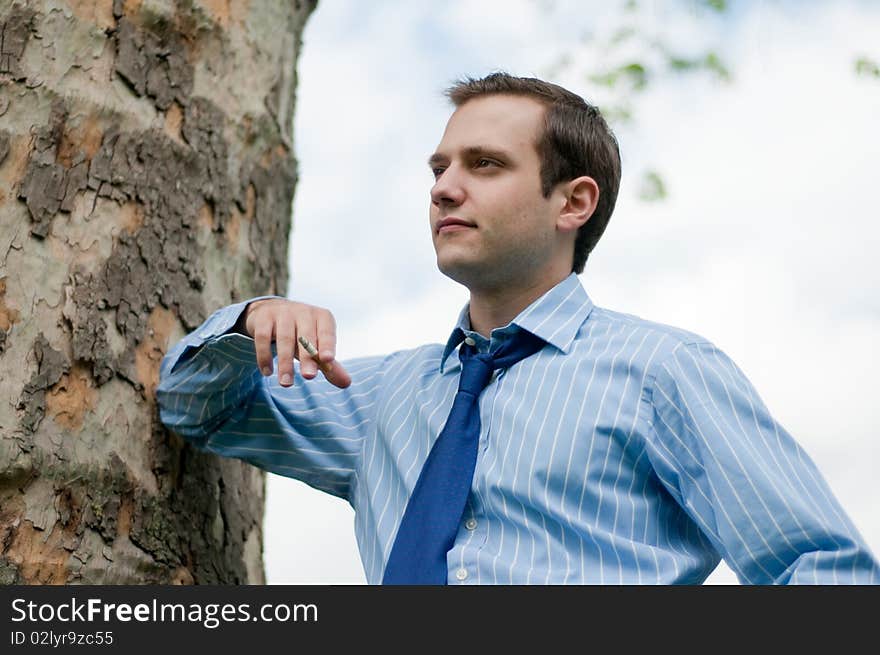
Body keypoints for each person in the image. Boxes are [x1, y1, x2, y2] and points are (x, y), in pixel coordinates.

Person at [157, 72, 879, 585]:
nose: (443, 186)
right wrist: (247, 322)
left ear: (573, 203)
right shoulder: (377, 396)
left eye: (485, 164)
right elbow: (195, 406)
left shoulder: (664, 371)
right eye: (440, 166)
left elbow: (822, 570)